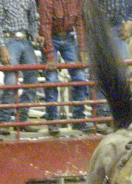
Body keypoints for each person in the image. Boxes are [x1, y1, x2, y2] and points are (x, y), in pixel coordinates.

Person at [39, 0, 93, 136]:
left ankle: (79, 118)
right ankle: (52, 121)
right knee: (52, 80)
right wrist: (50, 55)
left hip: (68, 37)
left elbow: (80, 22)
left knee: (80, 78)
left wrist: (82, 49)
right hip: (51, 38)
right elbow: (45, 27)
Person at [0, 0, 44, 135]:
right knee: (10, 82)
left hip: (25, 40)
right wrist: (2, 46)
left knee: (32, 81)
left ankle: (21, 119)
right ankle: (4, 121)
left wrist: (36, 35)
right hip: (10, 39)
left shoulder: (29, 1)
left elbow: (32, 20)